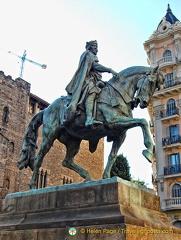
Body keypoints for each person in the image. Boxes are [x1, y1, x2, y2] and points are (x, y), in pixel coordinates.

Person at [65, 40, 118, 127]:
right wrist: (109, 70)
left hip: (94, 80)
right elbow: (95, 66)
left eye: (97, 48)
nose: (97, 50)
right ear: (90, 47)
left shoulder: (91, 55)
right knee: (92, 91)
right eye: (95, 47)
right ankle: (89, 119)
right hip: (87, 80)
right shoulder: (88, 54)